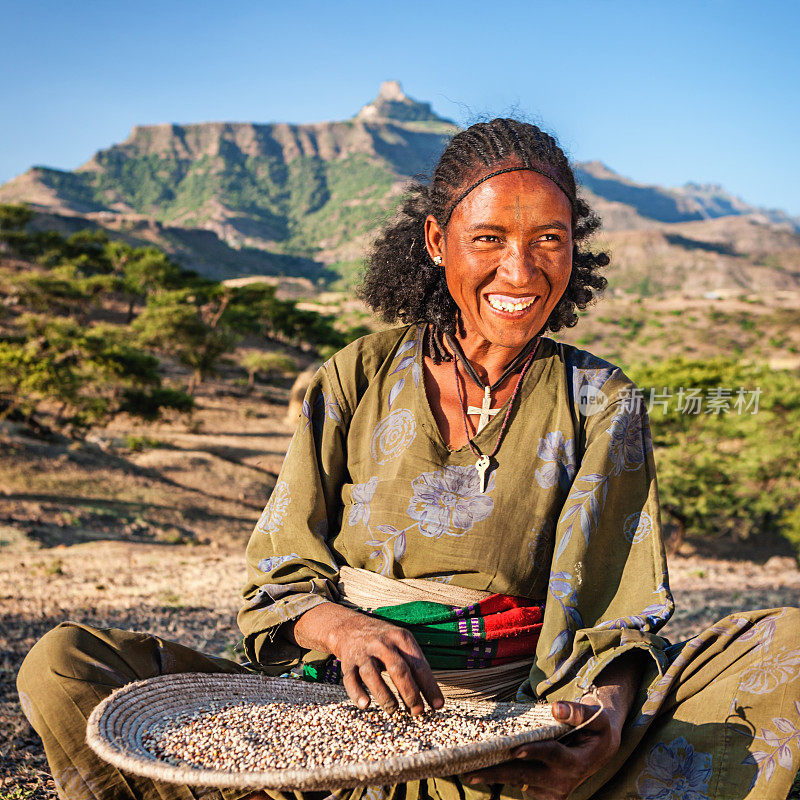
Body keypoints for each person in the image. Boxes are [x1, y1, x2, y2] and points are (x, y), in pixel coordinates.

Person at [17, 118, 799, 800]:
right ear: (437, 242)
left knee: (788, 649)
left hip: (515, 738)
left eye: (548, 241)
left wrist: (604, 719)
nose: (521, 274)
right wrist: (348, 634)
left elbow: (614, 617)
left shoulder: (603, 397)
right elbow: (278, 579)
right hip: (328, 728)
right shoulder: (355, 375)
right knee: (62, 667)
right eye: (488, 239)